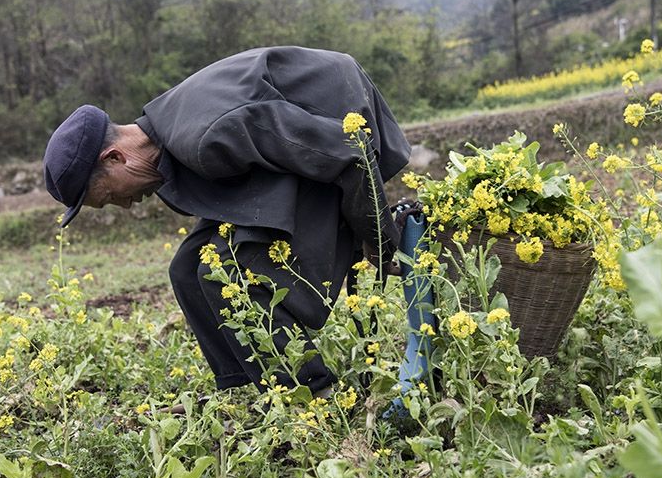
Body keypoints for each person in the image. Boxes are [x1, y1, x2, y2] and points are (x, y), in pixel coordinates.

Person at [43, 45, 411, 400]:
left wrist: (377, 237)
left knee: (233, 273)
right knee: (188, 269)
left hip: (333, 115)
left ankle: (312, 396)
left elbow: (346, 151)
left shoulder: (208, 136)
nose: (123, 206)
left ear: (115, 157)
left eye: (109, 196)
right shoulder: (168, 142)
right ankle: (255, 383)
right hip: (296, 147)